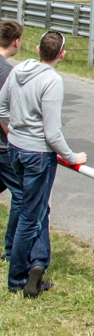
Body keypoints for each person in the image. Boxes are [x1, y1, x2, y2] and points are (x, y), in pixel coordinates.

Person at [0, 30, 87, 297]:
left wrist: (14, 131)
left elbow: (2, 107)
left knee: (31, 207)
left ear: (37, 49)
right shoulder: (52, 81)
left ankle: (35, 263)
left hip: (14, 148)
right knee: (31, 215)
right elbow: (52, 132)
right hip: (38, 155)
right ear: (62, 55)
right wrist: (72, 157)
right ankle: (18, 279)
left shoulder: (18, 70)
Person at [0, 20, 23, 261]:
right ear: (16, 42)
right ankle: (11, 250)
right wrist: (11, 134)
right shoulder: (7, 72)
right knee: (20, 195)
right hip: (3, 147)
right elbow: (3, 112)